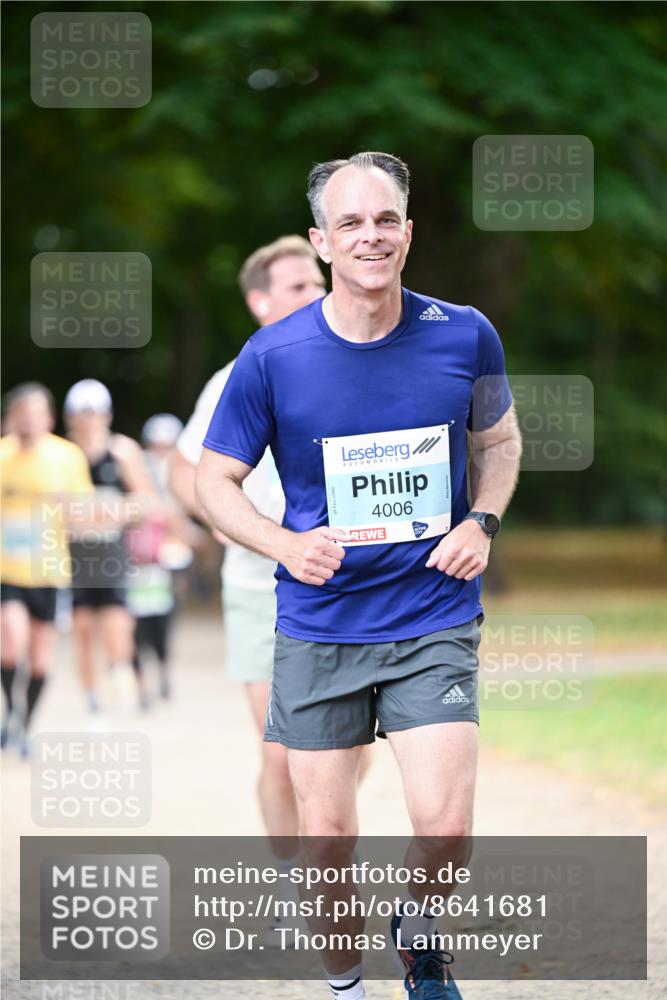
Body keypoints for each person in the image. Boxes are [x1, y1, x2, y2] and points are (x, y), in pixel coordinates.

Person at [196, 153, 522, 999]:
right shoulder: (271, 357)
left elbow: (499, 443)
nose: (370, 237)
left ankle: (417, 932)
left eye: (385, 221)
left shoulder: (464, 332)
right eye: (350, 224)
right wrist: (280, 543)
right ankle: (345, 986)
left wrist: (481, 521)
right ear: (322, 242)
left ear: (408, 233)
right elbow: (210, 481)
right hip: (318, 627)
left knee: (446, 827)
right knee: (328, 837)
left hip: (432, 616)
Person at [170, 236, 332, 911]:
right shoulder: (235, 375)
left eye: (317, 283)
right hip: (255, 587)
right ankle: (291, 876)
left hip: (341, 586)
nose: (315, 295)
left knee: (336, 755)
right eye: (297, 288)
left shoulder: (351, 363)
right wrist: (212, 512)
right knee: (279, 754)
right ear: (259, 302)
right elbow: (184, 468)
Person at [1, 383, 93, 755]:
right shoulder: (2, 454)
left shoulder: (67, 457)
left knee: (40, 660)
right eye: (22, 413)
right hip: (7, 571)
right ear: (12, 417)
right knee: (11, 645)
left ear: (49, 419)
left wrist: (69, 506)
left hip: (51, 571)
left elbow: (83, 515)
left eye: (36, 414)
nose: (29, 421)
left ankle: (23, 723)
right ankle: (11, 707)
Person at [63, 379, 156, 713]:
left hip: (112, 554)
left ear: (107, 414)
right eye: (82, 413)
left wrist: (114, 511)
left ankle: (126, 680)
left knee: (118, 630)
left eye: (96, 412)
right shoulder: (65, 454)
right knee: (83, 631)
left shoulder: (122, 451)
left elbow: (147, 500)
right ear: (70, 417)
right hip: (75, 557)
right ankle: (93, 701)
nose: (89, 420)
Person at [128, 413, 196, 708]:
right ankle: (141, 681)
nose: (162, 449)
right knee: (135, 624)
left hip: (170, 554)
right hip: (138, 556)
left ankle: (164, 670)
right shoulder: (135, 468)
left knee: (164, 621)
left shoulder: (184, 471)